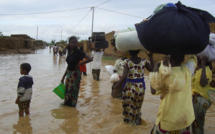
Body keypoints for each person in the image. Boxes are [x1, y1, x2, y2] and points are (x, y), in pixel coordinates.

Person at [150, 55, 197, 134]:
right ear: (183, 59)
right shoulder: (188, 70)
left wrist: (156, 67)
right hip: (185, 119)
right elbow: (193, 59)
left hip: (168, 121)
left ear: (169, 60)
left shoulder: (165, 74)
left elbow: (153, 90)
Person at [117, 50, 152, 125]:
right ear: (138, 51)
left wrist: (117, 85)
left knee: (129, 107)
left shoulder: (127, 62)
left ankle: (129, 125)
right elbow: (152, 69)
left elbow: (124, 77)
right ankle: (137, 122)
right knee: (137, 106)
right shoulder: (144, 61)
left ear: (129, 52)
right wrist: (151, 56)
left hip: (130, 88)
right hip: (140, 88)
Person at [61, 36, 92, 107]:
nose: (73, 44)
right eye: (71, 43)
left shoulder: (79, 52)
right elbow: (68, 65)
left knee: (73, 90)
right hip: (69, 73)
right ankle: (66, 104)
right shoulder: (69, 50)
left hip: (75, 74)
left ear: (77, 43)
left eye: (75, 43)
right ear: (69, 43)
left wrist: (80, 63)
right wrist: (63, 77)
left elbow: (90, 59)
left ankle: (72, 106)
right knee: (67, 89)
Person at [192, 56, 215, 134]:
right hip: (198, 100)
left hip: (200, 101)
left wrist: (203, 64)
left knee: (197, 124)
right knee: (197, 124)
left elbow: (202, 83)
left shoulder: (206, 70)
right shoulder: (199, 70)